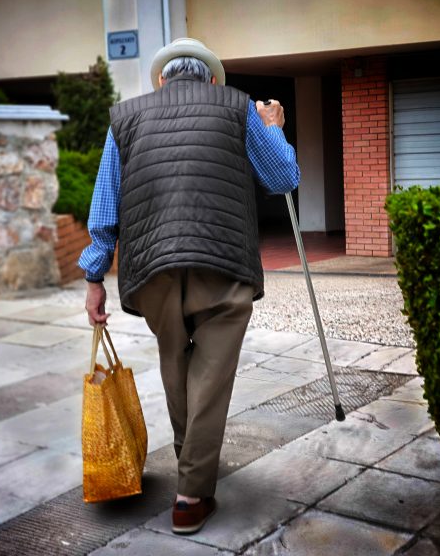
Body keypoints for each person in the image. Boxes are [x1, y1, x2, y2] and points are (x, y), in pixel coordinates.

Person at [78, 37, 300, 535]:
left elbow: (104, 207)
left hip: (151, 268)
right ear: (212, 80)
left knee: (176, 365)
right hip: (222, 263)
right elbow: (284, 177)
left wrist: (95, 278)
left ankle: (190, 465)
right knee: (212, 375)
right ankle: (190, 495)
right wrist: (273, 130)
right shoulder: (238, 107)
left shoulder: (126, 117)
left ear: (162, 79)